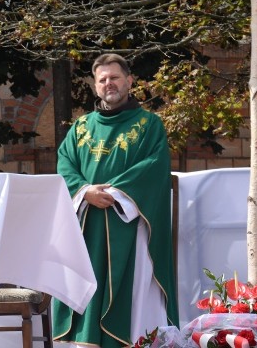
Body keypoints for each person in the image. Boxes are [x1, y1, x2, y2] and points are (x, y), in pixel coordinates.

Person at [52, 53, 179, 348]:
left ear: (130, 81)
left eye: (115, 78)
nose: (109, 84)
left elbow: (154, 167)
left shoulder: (149, 125)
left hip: (128, 225)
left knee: (130, 300)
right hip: (86, 226)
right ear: (95, 86)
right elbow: (64, 165)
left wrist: (114, 195)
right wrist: (86, 192)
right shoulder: (81, 127)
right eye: (103, 79)